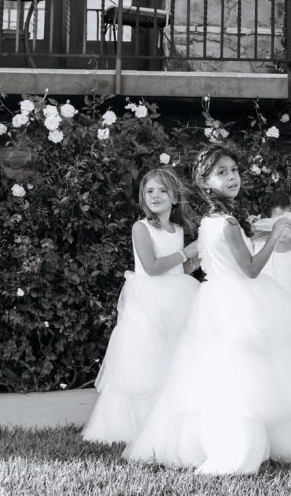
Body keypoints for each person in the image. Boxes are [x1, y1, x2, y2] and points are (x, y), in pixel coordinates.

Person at [123, 145, 291, 475]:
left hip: (216, 300)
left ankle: (214, 442)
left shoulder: (209, 221)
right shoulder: (226, 222)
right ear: (205, 182)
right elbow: (251, 269)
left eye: (234, 170)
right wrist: (273, 237)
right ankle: (237, 447)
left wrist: (254, 231)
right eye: (222, 172)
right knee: (244, 376)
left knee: (220, 374)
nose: (232, 177)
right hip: (236, 301)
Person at [82, 168, 201, 444]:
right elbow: (152, 266)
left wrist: (198, 258)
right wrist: (187, 252)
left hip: (176, 297)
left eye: (162, 190)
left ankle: (167, 422)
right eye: (150, 191)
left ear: (174, 197)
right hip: (149, 299)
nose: (156, 196)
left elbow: (180, 270)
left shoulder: (179, 229)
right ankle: (128, 425)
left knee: (172, 357)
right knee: (143, 362)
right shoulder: (141, 227)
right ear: (143, 197)